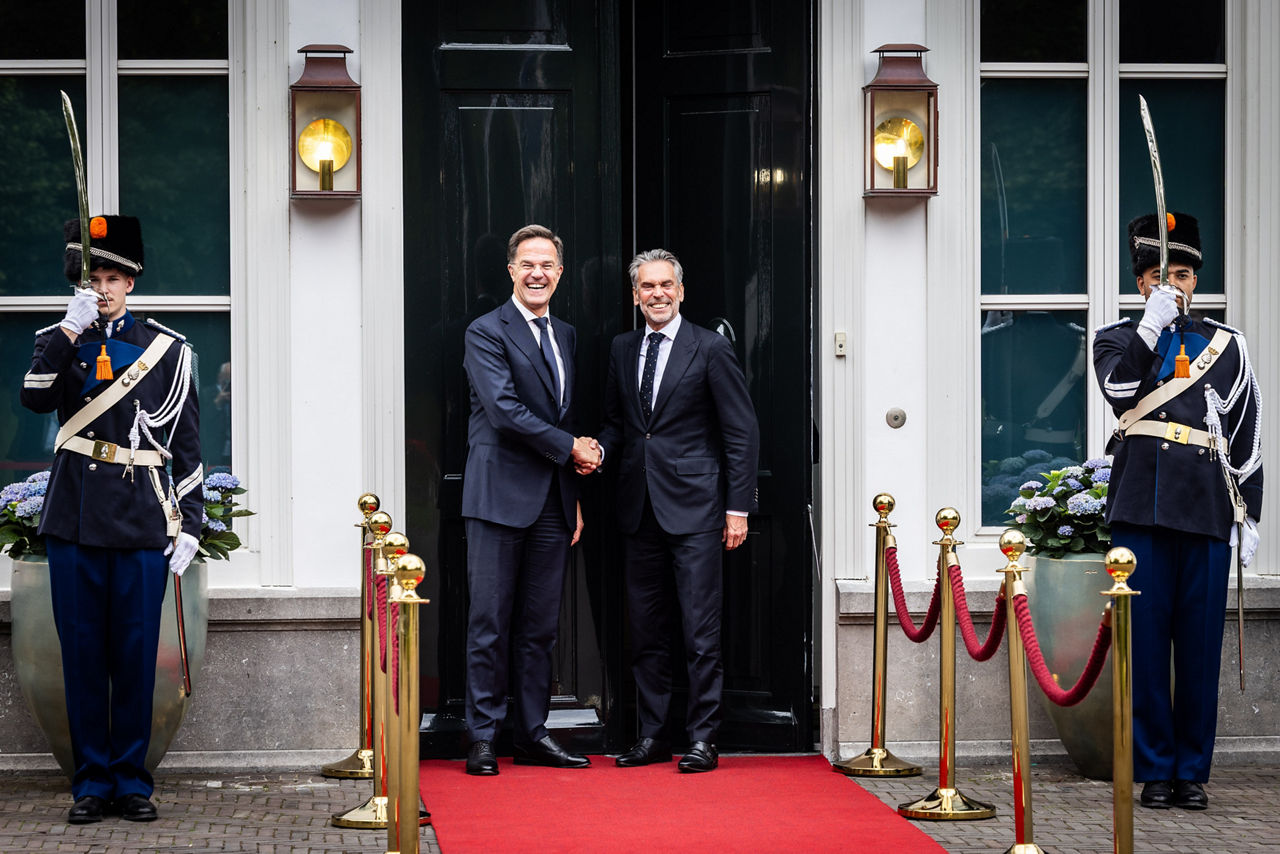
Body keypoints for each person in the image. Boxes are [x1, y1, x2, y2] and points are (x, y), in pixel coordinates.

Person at [20, 215, 203, 823]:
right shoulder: (59, 338)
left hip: (139, 518)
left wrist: (194, 524)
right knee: (82, 653)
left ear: (131, 282)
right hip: (74, 519)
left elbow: (187, 447)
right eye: (94, 277)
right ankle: (90, 780)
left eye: (114, 277)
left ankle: (131, 778)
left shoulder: (167, 350)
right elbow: (35, 397)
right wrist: (70, 328)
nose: (104, 287)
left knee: (133, 653)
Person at [1093, 211, 1263, 811]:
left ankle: (1192, 770)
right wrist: (1149, 330)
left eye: (1185, 274)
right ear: (1143, 284)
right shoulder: (1115, 339)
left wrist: (1251, 517)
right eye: (1162, 275)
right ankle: (1154, 768)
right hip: (1140, 510)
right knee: (1143, 652)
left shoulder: (1227, 344)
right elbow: (1118, 393)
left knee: (1197, 650)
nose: (1175, 284)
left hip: (1206, 511)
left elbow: (1245, 436)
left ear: (1197, 281)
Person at [598, 248, 759, 773]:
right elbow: (620, 425)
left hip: (697, 510)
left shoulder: (709, 348)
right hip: (637, 510)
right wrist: (594, 451)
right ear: (636, 295)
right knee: (646, 632)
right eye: (647, 287)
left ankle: (703, 739)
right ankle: (651, 737)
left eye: (666, 285)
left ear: (681, 291)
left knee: (699, 631)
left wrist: (738, 508)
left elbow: (741, 433)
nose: (658, 294)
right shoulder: (623, 348)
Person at [460, 224, 601, 775]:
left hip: (553, 501)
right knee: (489, 623)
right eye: (528, 264)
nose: (538, 273)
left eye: (548, 265)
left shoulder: (564, 333)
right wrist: (572, 447)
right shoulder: (485, 330)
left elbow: (560, 413)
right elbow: (503, 410)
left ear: (559, 274)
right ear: (512, 272)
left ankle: (533, 733)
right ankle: (482, 737)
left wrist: (575, 494)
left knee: (540, 628)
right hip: (497, 497)